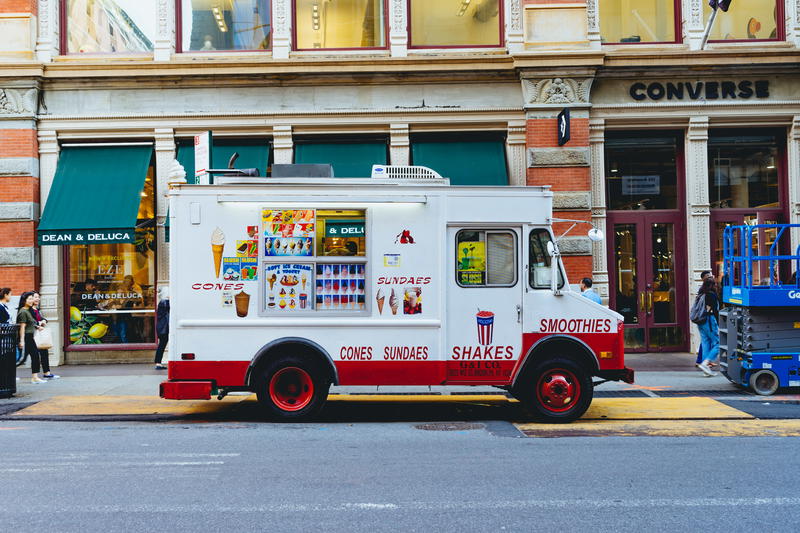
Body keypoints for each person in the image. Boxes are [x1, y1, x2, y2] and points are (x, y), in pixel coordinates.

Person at [17, 291, 46, 384]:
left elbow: (31, 323)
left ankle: (35, 377)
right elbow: (22, 327)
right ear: (24, 300)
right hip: (26, 337)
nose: (31, 300)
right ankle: (6, 374)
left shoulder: (28, 310)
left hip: (30, 337)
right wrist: (21, 341)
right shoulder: (23, 311)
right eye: (29, 299)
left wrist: (38, 327)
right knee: (20, 359)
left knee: (35, 356)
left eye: (32, 299)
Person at [31, 291, 59, 380]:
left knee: (44, 353)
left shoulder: (37, 309)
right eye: (36, 297)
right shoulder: (29, 310)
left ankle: (47, 373)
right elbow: (31, 322)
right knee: (31, 356)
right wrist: (39, 323)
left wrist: (44, 321)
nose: (38, 299)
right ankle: (35, 376)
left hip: (40, 335)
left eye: (38, 297)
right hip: (32, 335)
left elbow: (43, 319)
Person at [697, 277, 720, 377]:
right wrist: (719, 323)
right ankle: (706, 363)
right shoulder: (711, 295)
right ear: (713, 285)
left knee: (705, 343)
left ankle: (705, 368)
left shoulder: (701, 294)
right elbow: (715, 310)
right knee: (718, 344)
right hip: (710, 321)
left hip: (700, 321)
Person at [695, 271, 713, 369]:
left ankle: (703, 361)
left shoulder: (703, 290)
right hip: (706, 319)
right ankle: (706, 361)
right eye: (707, 276)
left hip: (702, 319)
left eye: (710, 276)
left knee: (705, 340)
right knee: (714, 341)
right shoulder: (706, 292)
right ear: (703, 278)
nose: (710, 277)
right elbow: (709, 307)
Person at [154, 287, 169, 370]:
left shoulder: (162, 302)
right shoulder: (165, 302)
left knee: (161, 345)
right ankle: (158, 363)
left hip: (161, 327)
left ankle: (158, 362)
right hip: (164, 328)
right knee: (162, 345)